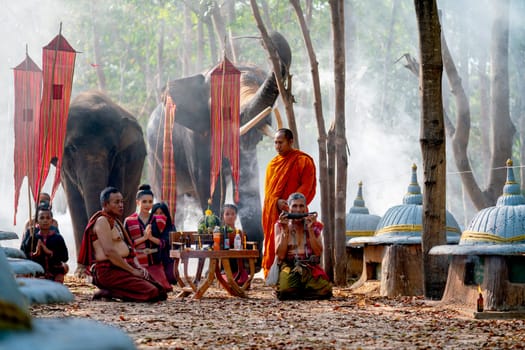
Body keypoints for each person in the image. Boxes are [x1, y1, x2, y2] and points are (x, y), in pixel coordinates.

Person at [77, 187, 167, 302]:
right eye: (116, 202)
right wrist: (132, 271)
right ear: (106, 204)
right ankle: (108, 292)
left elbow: (129, 249)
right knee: (152, 292)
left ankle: (112, 291)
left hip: (123, 267)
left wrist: (138, 267)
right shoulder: (102, 221)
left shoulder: (116, 221)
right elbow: (109, 252)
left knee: (161, 291)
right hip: (108, 271)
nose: (121, 205)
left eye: (121, 202)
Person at [262, 128, 317, 277]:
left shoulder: (303, 161)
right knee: (276, 242)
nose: (277, 146)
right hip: (276, 214)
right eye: (275, 143)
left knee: (297, 246)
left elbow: (307, 186)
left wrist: (290, 205)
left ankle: (299, 273)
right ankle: (273, 274)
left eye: (281, 142)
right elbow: (268, 195)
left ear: (290, 142)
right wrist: (276, 202)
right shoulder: (272, 165)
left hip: (296, 214)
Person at [274, 192, 332, 300]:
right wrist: (285, 230)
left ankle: (300, 290)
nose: (298, 210)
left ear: (306, 208)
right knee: (285, 292)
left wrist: (310, 229)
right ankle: (298, 289)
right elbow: (281, 255)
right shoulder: (280, 225)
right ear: (288, 208)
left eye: (301, 206)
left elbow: (318, 252)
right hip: (290, 266)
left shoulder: (314, 225)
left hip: (309, 266)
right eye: (294, 206)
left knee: (325, 290)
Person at [124, 185, 172, 291]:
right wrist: (143, 238)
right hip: (136, 265)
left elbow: (164, 243)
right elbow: (125, 245)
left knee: (162, 289)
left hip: (154, 264)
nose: (148, 205)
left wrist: (150, 238)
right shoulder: (129, 221)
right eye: (144, 201)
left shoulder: (159, 220)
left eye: (150, 202)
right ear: (138, 202)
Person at [20, 203, 69, 283]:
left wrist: (50, 253)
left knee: (60, 274)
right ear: (37, 221)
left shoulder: (57, 237)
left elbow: (65, 257)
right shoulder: (31, 235)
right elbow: (22, 254)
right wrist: (33, 254)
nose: (45, 220)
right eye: (42, 218)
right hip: (36, 270)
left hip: (53, 270)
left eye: (48, 218)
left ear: (51, 220)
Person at [221, 204, 248, 285]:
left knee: (244, 282)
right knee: (230, 283)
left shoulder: (239, 232)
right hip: (225, 268)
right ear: (223, 216)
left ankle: (240, 274)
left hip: (238, 268)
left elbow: (243, 247)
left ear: (236, 216)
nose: (230, 216)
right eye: (227, 214)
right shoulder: (220, 232)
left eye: (233, 214)